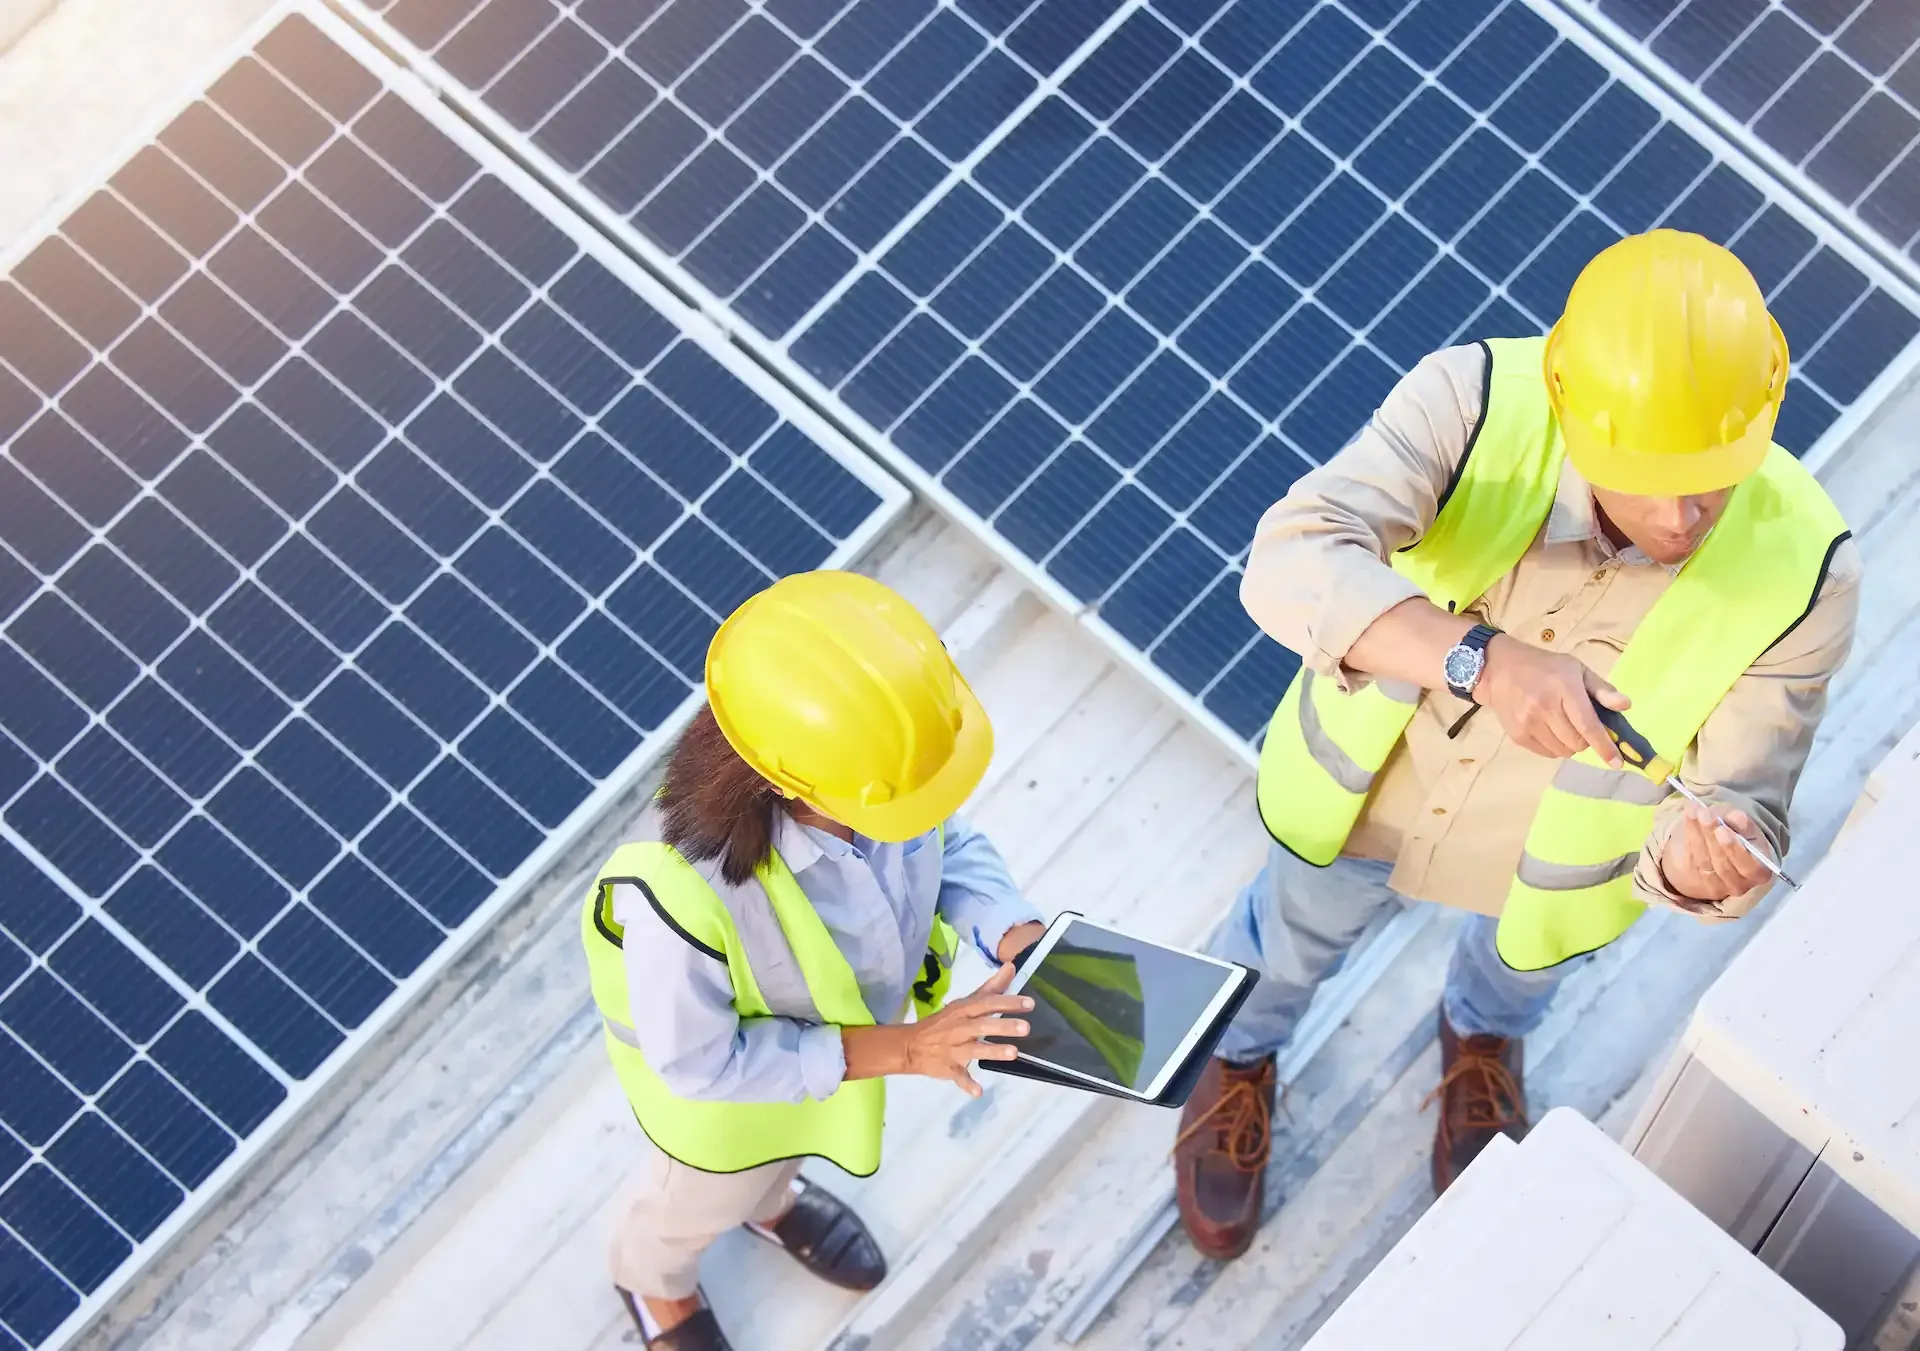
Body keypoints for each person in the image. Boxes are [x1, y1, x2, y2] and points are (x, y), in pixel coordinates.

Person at [1172, 229, 1862, 1260]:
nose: (1682, 515)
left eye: (1713, 479)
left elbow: (1742, 804)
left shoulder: (1811, 572)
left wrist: (1701, 859)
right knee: (1288, 937)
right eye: (1648, 476)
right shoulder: (1474, 402)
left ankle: (1481, 1040)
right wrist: (1480, 661)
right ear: (1574, 410)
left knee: (1519, 972)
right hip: (1364, 793)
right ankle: (1240, 1052)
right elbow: (1287, 561)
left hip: (1556, 867)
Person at [582, 571, 1046, 1349]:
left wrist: (1009, 930)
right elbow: (699, 1064)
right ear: (784, 778)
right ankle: (654, 1282)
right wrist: (906, 1048)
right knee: (690, 1206)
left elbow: (946, 840)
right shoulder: (685, 893)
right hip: (723, 1110)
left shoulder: (878, 770)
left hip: (832, 1061)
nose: (918, 809)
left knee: (778, 1160)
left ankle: (770, 1203)